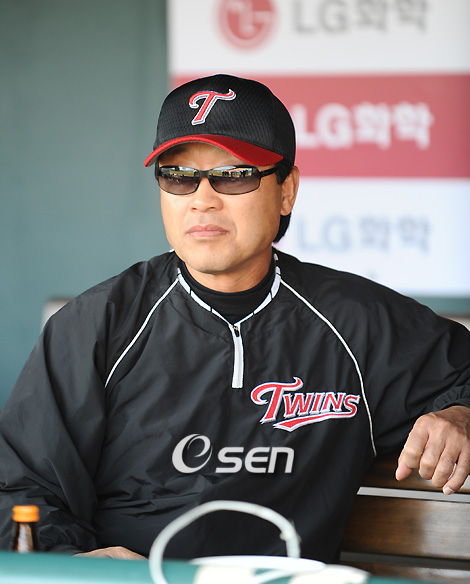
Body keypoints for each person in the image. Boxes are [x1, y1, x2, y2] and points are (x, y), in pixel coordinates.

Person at [0, 74, 469, 563]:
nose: (202, 199)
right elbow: (20, 487)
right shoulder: (96, 326)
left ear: (287, 190)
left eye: (234, 174)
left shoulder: (358, 324)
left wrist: (461, 415)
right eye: (178, 175)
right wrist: (81, 565)